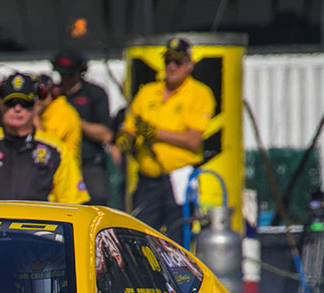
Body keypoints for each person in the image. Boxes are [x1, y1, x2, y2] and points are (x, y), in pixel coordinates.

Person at [116, 37, 215, 234]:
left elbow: (192, 140)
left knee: (177, 236)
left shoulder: (199, 94)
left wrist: (155, 133)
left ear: (189, 65)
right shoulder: (148, 92)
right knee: (140, 234)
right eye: (167, 61)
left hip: (179, 180)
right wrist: (125, 140)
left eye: (177, 62)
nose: (171, 66)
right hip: (148, 180)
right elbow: (129, 127)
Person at [0, 73, 89, 205]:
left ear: (36, 106)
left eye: (25, 103)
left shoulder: (56, 150)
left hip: (39, 233)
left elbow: (72, 203)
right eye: (10, 103)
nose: (17, 109)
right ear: (1, 106)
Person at [53, 48, 114, 205]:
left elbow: (106, 134)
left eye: (70, 74)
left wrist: (73, 120)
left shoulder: (95, 93)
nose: (65, 79)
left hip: (89, 163)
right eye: (62, 74)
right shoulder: (53, 96)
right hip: (58, 163)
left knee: (95, 205)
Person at [35, 74, 83, 172]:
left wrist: (34, 117)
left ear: (53, 93)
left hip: (65, 173)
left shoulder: (61, 112)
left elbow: (47, 146)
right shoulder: (45, 113)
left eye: (41, 94)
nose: (37, 100)